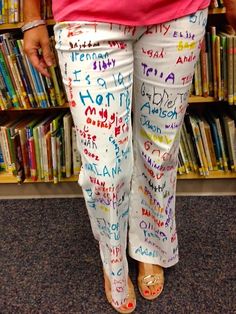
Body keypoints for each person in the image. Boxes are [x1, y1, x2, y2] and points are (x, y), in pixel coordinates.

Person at [23, 1, 236, 313]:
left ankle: (149, 248)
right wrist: (31, 17)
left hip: (179, 11)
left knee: (159, 152)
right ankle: (113, 258)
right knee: (105, 172)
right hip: (86, 12)